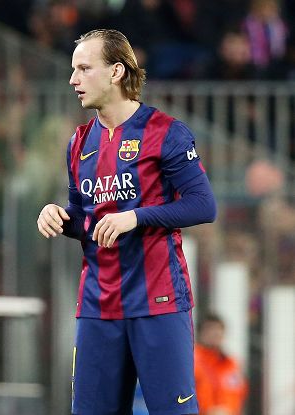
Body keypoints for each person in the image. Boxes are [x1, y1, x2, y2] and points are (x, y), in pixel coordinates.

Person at [36, 29, 216, 414]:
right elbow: (85, 221)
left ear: (116, 72)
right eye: (73, 69)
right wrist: (58, 217)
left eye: (84, 69)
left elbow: (203, 205)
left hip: (159, 302)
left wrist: (134, 217)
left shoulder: (165, 132)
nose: (73, 79)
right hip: (98, 305)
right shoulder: (78, 143)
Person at [194, 314, 248, 415]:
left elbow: (239, 394)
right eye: (210, 329)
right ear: (200, 333)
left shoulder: (231, 364)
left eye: (219, 329)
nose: (215, 333)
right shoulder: (192, 362)